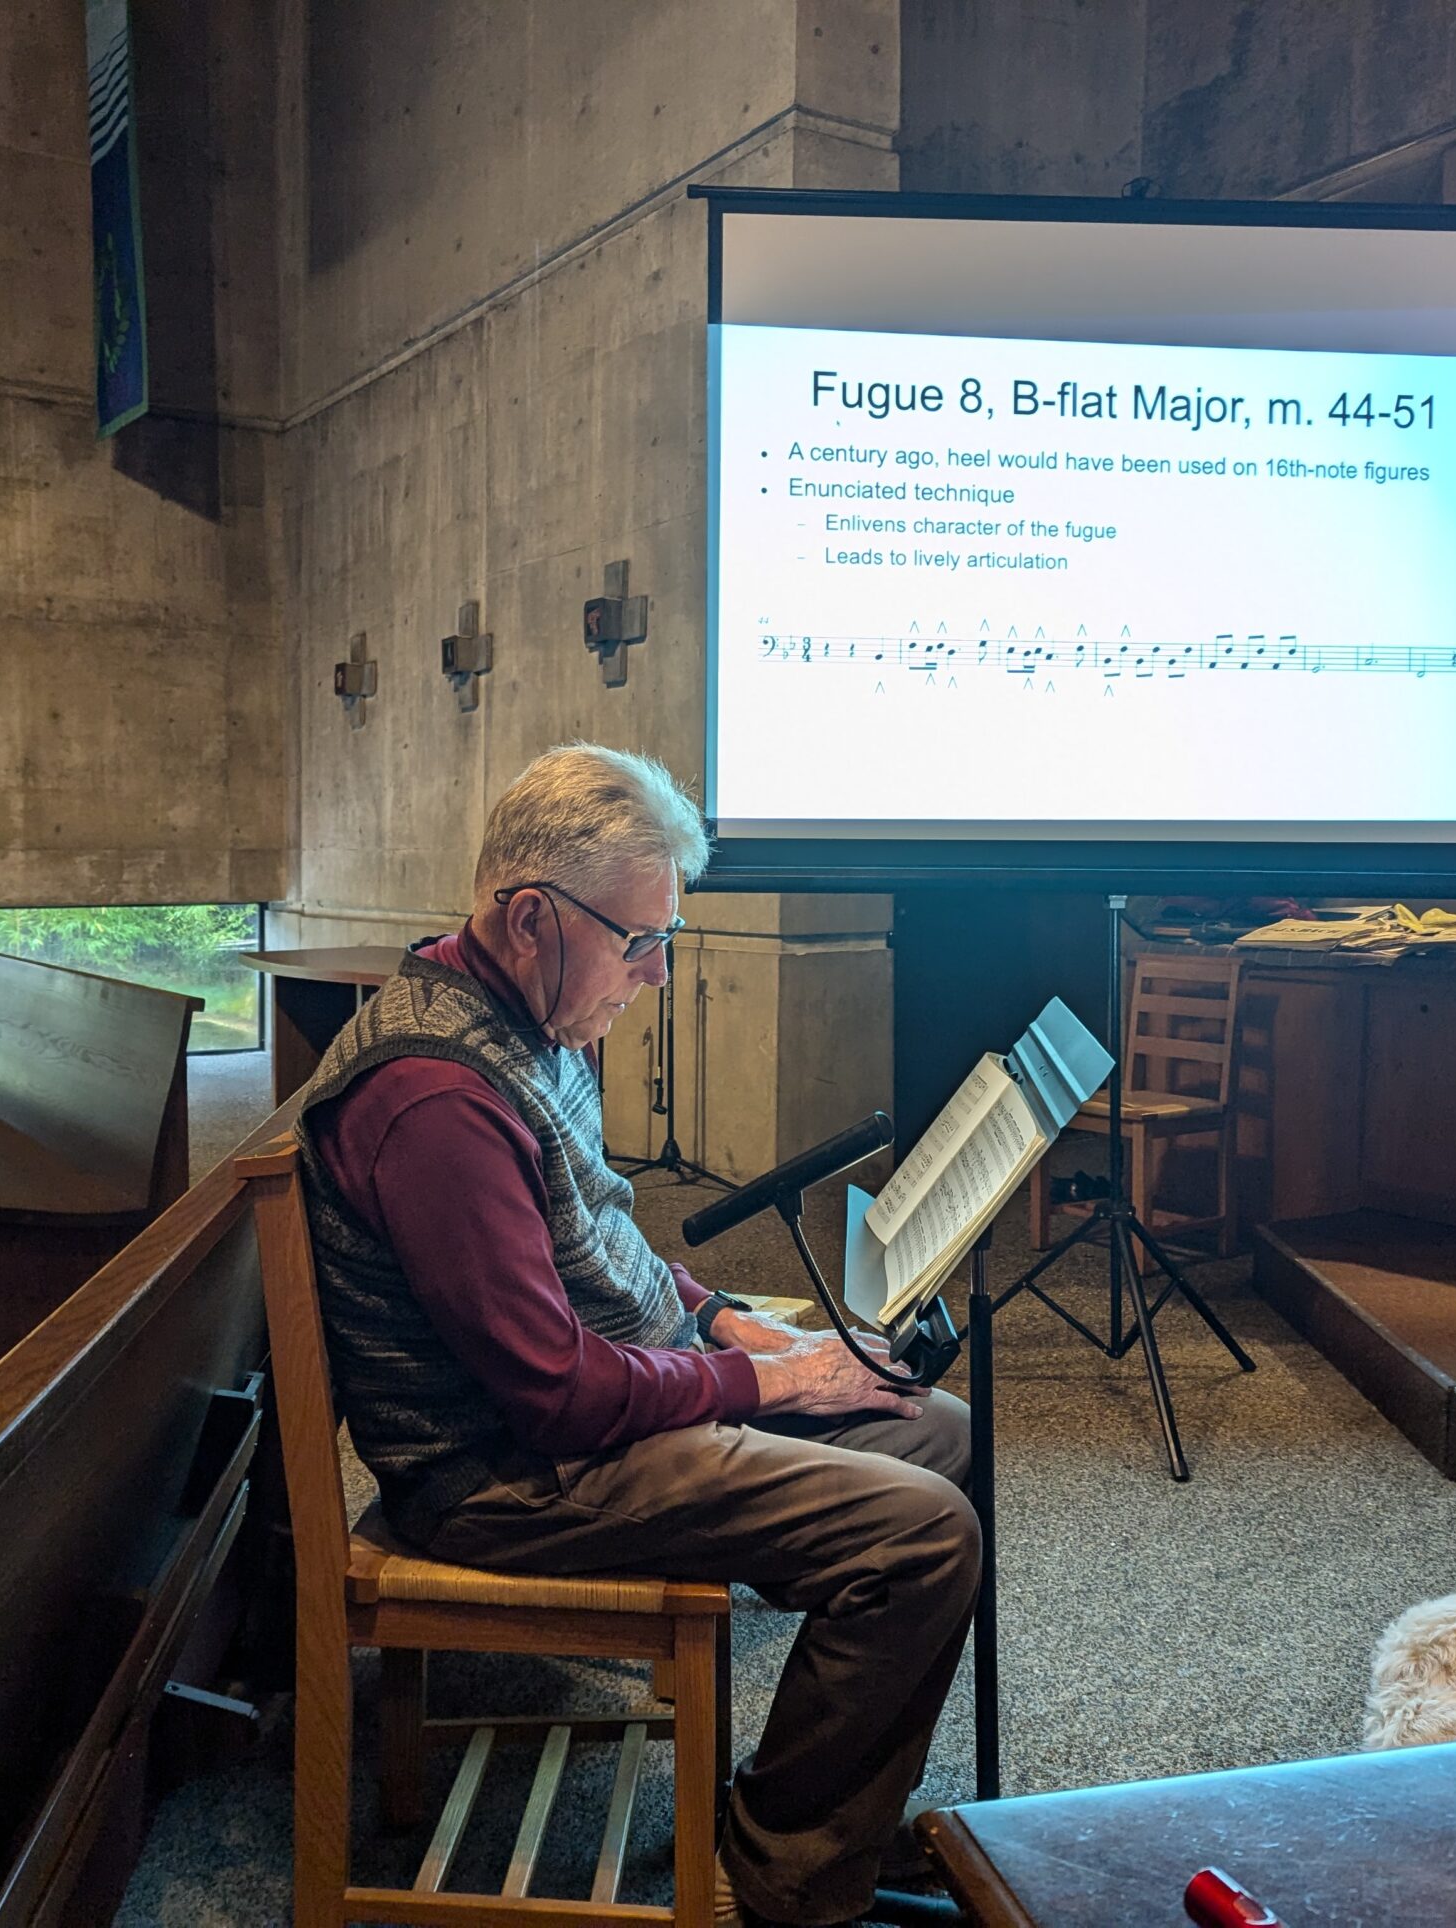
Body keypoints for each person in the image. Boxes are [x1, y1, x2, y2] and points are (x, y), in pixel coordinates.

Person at [293, 742, 979, 1928]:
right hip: (506, 1474)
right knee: (916, 1534)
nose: (656, 973)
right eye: (638, 940)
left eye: (668, 939)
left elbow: (599, 1233)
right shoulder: (438, 1098)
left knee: (934, 1425)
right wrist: (763, 1385)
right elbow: (552, 1392)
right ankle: (783, 1876)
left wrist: (728, 1320)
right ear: (528, 917)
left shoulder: (526, 1017)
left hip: (598, 1407)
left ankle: (835, 1820)